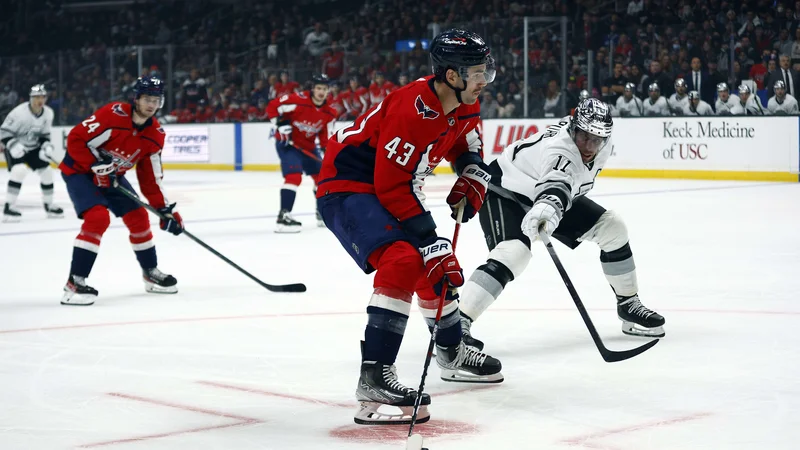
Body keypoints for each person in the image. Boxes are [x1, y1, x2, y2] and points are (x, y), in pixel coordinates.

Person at [316, 29, 503, 426]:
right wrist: (432, 240)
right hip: (348, 185)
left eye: (487, 68)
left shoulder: (465, 99)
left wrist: (471, 171)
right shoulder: (412, 111)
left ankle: (450, 351)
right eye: (477, 71)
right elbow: (391, 186)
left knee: (431, 265)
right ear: (451, 75)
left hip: (387, 184)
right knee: (405, 258)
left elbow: (466, 139)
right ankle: (374, 377)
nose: (485, 78)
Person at [457, 98, 666, 355]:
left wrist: (551, 205)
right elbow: (557, 181)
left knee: (613, 228)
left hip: (549, 194)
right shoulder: (562, 149)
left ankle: (628, 304)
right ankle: (455, 326)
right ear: (573, 128)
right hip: (507, 190)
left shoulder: (601, 142)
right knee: (514, 253)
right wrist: (549, 207)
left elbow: (564, 185)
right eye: (584, 137)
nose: (589, 147)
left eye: (596, 140)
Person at [58, 76, 182, 306]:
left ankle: (150, 272)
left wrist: (164, 210)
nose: (152, 105)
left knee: (139, 217)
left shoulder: (155, 135)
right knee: (97, 218)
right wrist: (93, 164)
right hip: (79, 171)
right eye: (147, 99)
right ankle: (75, 282)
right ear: (136, 98)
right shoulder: (112, 115)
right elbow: (75, 139)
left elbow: (150, 178)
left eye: (157, 100)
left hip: (111, 177)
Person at [266, 74, 338, 232]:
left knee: (322, 178)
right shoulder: (297, 100)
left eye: (324, 89)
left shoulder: (330, 113)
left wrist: (328, 155)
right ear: (312, 89)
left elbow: (325, 137)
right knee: (294, 176)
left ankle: (321, 213)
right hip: (288, 144)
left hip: (308, 147)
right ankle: (283, 217)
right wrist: (279, 123)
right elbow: (272, 106)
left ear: (328, 91)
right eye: (318, 88)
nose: (321, 92)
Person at [1, 84, 63, 221]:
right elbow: (3, 132)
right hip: (15, 146)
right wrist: (12, 145)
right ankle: (9, 207)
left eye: (42, 97)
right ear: (30, 98)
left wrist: (46, 146)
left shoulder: (48, 113)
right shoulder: (18, 113)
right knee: (19, 170)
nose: (39, 100)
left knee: (47, 172)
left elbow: (44, 135)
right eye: (36, 97)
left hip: (33, 147)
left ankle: (49, 205)